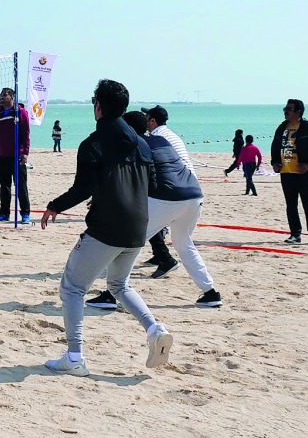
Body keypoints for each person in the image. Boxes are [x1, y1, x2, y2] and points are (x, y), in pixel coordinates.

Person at [41, 79, 173, 377]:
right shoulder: (141, 142)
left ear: (97, 106)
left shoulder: (93, 144)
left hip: (107, 228)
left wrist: (54, 205)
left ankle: (75, 357)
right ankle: (155, 328)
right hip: (139, 228)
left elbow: (83, 188)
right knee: (119, 285)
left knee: (72, 288)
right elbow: (152, 184)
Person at [88, 111, 223, 309]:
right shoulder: (160, 140)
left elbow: (123, 179)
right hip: (193, 195)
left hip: (167, 198)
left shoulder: (133, 144)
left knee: (127, 242)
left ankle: (110, 294)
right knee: (184, 244)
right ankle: (210, 293)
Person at [141, 105, 193, 270]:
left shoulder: (156, 137)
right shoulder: (169, 134)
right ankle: (160, 255)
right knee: (153, 219)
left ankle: (165, 259)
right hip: (188, 182)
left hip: (175, 183)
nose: (144, 121)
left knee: (145, 217)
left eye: (146, 117)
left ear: (152, 121)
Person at [271, 99, 308, 245]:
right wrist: (274, 163)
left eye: (289, 109)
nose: (285, 112)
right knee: (291, 205)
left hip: (303, 173)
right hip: (286, 172)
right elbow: (275, 146)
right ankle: (295, 234)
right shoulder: (282, 127)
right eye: (285, 109)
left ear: (298, 112)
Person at [0, 88, 31, 224]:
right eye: (1, 95)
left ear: (12, 97)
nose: (2, 97)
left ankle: (25, 214)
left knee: (21, 186)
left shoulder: (20, 112)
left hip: (17, 155)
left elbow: (26, 134)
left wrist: (25, 153)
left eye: (5, 95)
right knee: (4, 186)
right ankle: (4, 213)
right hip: (2, 156)